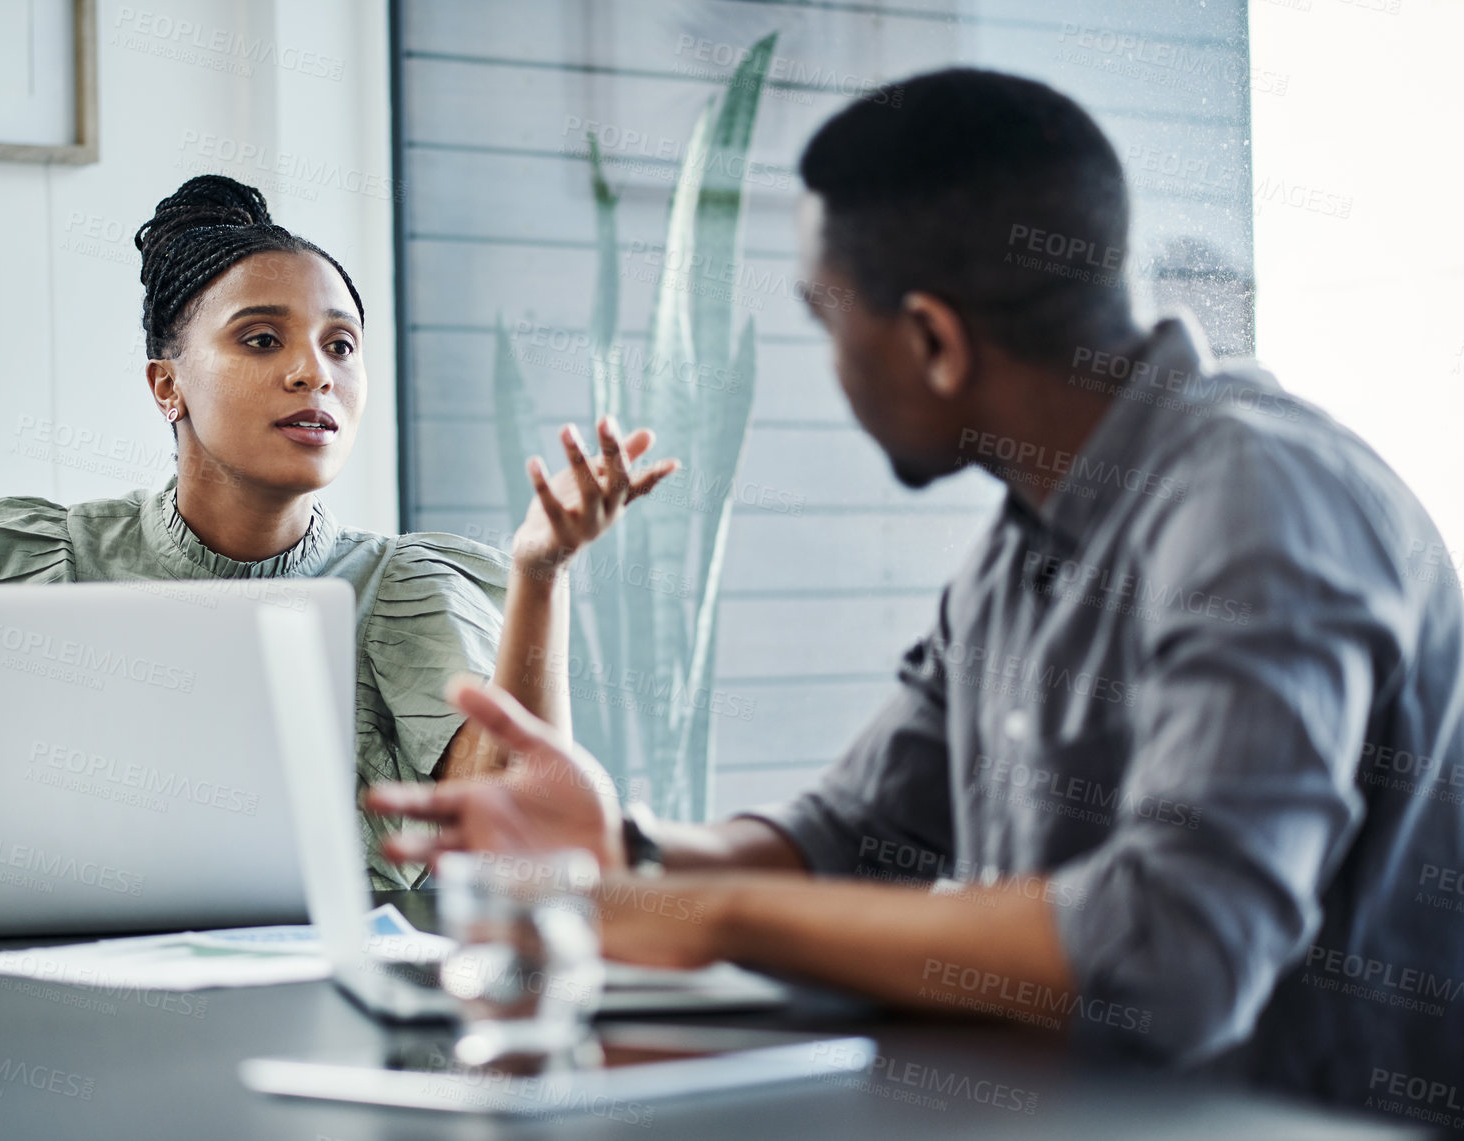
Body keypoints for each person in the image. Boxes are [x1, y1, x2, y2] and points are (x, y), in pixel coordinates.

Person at [368, 68, 1464, 1114]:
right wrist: (629, 853)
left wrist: (716, 914)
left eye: (824, 317)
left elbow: (1172, 950)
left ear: (933, 340)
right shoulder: (1024, 536)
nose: (829, 361)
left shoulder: (1254, 507)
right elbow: (854, 828)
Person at [0, 174, 677, 909]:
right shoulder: (35, 568)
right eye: (260, 339)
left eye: (341, 345)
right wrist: (10, 886)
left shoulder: (408, 587)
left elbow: (515, 823)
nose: (310, 371)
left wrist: (541, 572)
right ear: (165, 383)